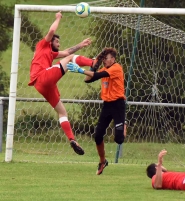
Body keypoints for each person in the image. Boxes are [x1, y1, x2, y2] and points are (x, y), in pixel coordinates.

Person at [28, 11, 94, 155]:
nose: (59, 44)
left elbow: (66, 52)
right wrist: (58, 18)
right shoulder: (42, 45)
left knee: (62, 112)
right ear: (50, 41)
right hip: (42, 77)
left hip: (42, 86)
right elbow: (52, 31)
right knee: (70, 58)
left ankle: (72, 139)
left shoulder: (51, 54)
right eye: (56, 42)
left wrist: (81, 45)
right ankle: (94, 63)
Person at [66, 47, 126, 175]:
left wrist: (81, 70)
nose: (104, 61)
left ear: (113, 59)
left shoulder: (116, 68)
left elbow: (98, 75)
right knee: (98, 135)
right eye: (103, 59)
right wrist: (94, 64)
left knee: (119, 140)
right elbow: (88, 80)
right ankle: (102, 161)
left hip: (118, 105)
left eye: (106, 58)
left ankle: (123, 123)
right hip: (107, 105)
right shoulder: (104, 68)